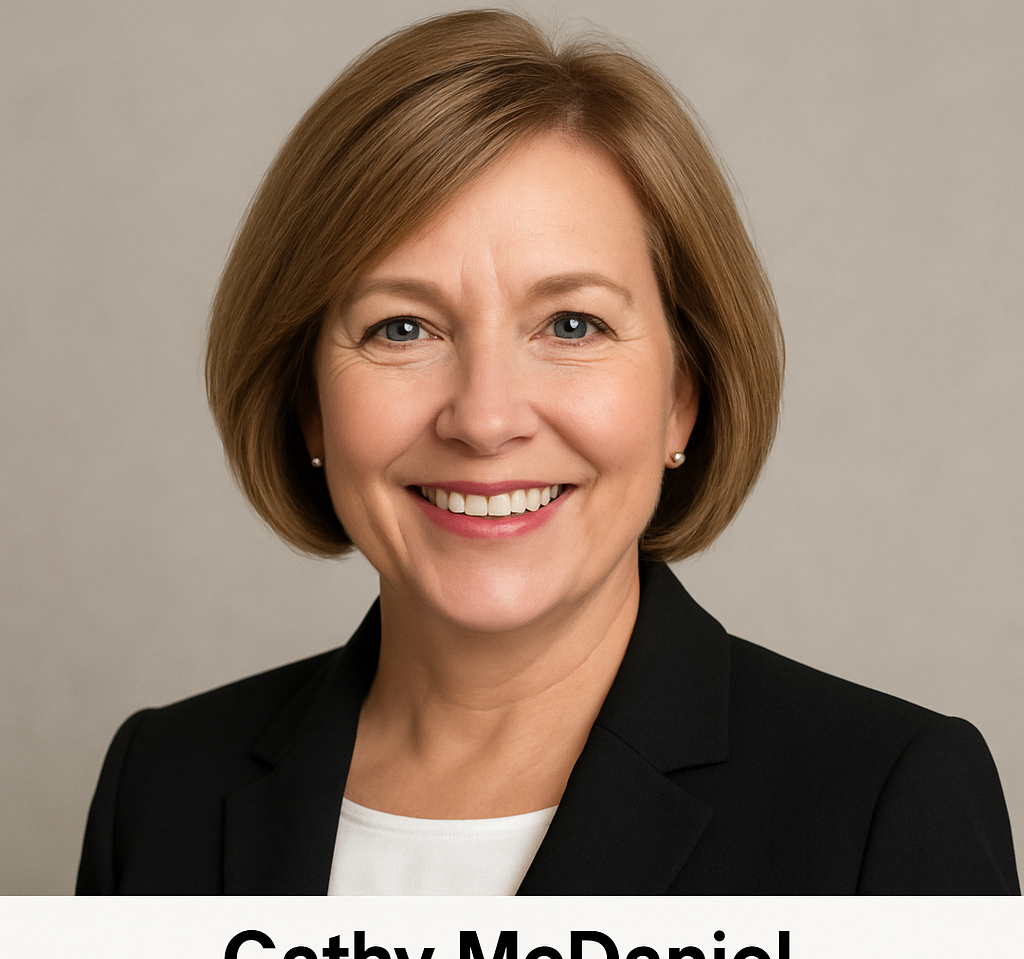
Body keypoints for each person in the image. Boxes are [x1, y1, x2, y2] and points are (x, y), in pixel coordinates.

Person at [76, 9, 1017, 896]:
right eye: (402, 328)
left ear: (681, 401)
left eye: (572, 323)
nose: (484, 420)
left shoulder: (882, 807)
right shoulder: (160, 790)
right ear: (309, 404)